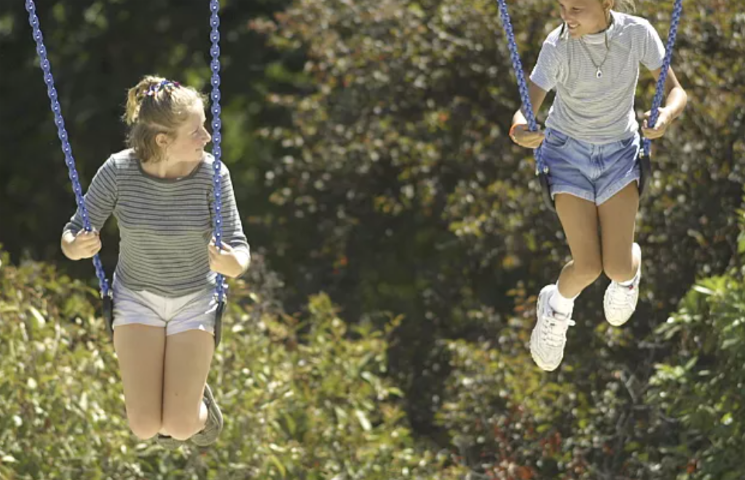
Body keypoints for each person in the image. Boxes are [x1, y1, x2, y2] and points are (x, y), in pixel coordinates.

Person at [61, 75, 250, 447]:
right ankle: (182, 389)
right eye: (196, 131)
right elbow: (73, 231)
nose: (207, 138)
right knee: (145, 427)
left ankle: (198, 406)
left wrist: (232, 264)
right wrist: (76, 246)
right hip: (136, 298)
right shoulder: (118, 171)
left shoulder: (213, 175)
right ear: (163, 141)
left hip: (194, 301)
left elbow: (239, 247)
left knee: (180, 427)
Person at [509, 0, 687, 371]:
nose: (566, 16)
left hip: (619, 156)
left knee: (618, 269)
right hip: (566, 155)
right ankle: (555, 307)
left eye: (576, 8)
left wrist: (665, 117)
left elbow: (676, 92)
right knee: (588, 267)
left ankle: (628, 275)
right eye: (561, 6)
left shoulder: (636, 34)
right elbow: (526, 109)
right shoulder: (557, 46)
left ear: (606, 3)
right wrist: (520, 131)